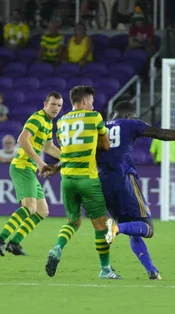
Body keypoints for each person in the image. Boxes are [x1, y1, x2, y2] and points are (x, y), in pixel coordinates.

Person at [42, 101, 175, 280]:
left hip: (101, 183)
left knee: (134, 229)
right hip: (124, 179)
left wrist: (56, 166)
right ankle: (117, 228)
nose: (136, 119)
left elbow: (80, 152)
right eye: (134, 116)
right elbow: (160, 133)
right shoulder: (131, 124)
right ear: (127, 115)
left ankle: (152, 271)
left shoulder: (98, 127)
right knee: (147, 227)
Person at [43, 86, 119, 279]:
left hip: (67, 179)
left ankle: (57, 248)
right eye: (91, 101)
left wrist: (55, 167)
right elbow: (106, 145)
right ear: (85, 102)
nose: (93, 105)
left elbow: (68, 152)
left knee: (73, 221)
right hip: (88, 178)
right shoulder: (94, 117)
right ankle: (105, 269)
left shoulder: (60, 122)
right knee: (100, 225)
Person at [0, 92, 63, 257]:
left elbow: (49, 147)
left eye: (59, 105)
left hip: (29, 169)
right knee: (29, 207)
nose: (56, 108)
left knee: (42, 211)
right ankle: (0, 239)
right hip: (22, 167)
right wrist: (39, 162)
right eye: (53, 104)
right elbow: (22, 139)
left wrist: (67, 156)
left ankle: (14, 243)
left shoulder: (49, 123)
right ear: (45, 104)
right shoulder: (37, 118)